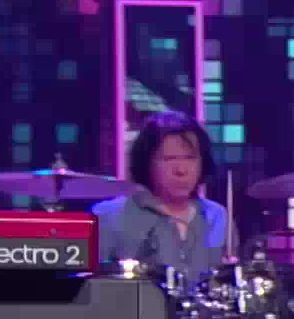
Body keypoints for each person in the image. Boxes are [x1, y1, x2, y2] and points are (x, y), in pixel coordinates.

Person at [91, 110, 229, 283]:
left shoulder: (217, 216)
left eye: (190, 158)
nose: (181, 170)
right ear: (146, 163)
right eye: (169, 159)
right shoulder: (108, 216)